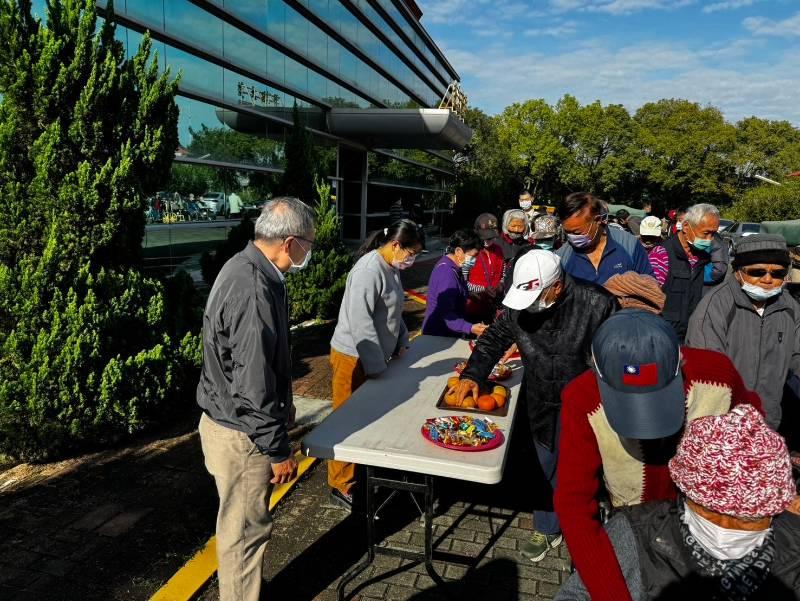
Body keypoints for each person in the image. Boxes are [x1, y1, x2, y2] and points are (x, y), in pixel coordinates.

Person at [554, 309, 761, 601]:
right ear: (597, 372)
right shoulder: (582, 399)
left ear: (679, 363)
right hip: (635, 530)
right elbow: (573, 501)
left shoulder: (719, 377)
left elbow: (754, 432)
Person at [455, 250, 616, 562]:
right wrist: (474, 373)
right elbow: (493, 340)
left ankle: (586, 527)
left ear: (556, 287)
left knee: (583, 468)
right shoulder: (519, 308)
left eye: (534, 296)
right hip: (540, 398)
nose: (527, 306)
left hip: (585, 402)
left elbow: (616, 353)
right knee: (544, 467)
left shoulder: (598, 303)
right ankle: (546, 528)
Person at [556, 404, 800, 601]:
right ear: (684, 494)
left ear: (775, 511)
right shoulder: (635, 535)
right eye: (708, 510)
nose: (724, 527)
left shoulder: (794, 548)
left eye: (747, 519)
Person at [197, 196, 315, 601]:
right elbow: (252, 384)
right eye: (308, 244)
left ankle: (242, 589)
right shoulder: (253, 287)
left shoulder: (248, 268)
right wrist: (277, 448)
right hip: (244, 434)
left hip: (228, 423)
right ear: (289, 243)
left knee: (237, 528)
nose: (308, 253)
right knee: (245, 533)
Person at [328, 220, 422, 509]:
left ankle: (359, 469)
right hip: (352, 357)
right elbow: (361, 322)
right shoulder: (369, 271)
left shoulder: (389, 268)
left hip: (372, 356)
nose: (412, 259)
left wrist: (402, 339)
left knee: (365, 417)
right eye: (411, 253)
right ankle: (340, 484)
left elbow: (394, 311)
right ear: (395, 245)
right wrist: (376, 366)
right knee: (346, 421)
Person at [686, 234, 800, 431]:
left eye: (777, 273)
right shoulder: (716, 306)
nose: (767, 279)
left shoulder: (790, 307)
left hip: (768, 423)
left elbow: (796, 357)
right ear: (738, 272)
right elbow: (707, 371)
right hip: (721, 425)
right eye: (757, 272)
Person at [647, 203, 719, 341]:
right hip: (662, 335)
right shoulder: (662, 254)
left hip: (691, 334)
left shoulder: (702, 257)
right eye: (706, 233)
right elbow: (650, 298)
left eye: (713, 233)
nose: (710, 239)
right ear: (686, 227)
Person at [556, 192, 653, 285]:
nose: (572, 237)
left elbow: (650, 287)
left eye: (577, 232)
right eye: (567, 232)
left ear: (598, 220)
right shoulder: (562, 257)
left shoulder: (629, 244)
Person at [422, 230, 487, 338]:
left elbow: (455, 290)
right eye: (474, 255)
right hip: (438, 335)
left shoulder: (454, 267)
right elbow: (446, 313)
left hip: (447, 332)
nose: (475, 260)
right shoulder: (446, 273)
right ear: (458, 251)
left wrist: (468, 294)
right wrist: (470, 328)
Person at [464, 213, 505, 323]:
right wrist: (476, 291)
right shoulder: (470, 252)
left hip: (492, 306)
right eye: (483, 237)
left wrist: (500, 285)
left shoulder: (499, 250)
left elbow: (503, 273)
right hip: (472, 307)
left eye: (490, 237)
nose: (487, 241)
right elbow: (461, 280)